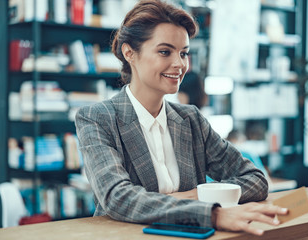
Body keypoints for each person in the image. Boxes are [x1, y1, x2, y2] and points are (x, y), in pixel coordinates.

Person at [75, 0, 287, 236]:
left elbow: (256, 178)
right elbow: (118, 198)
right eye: (165, 51)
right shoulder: (97, 118)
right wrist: (212, 213)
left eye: (184, 53)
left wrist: (199, 195)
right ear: (129, 53)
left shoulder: (191, 119)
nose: (179, 64)